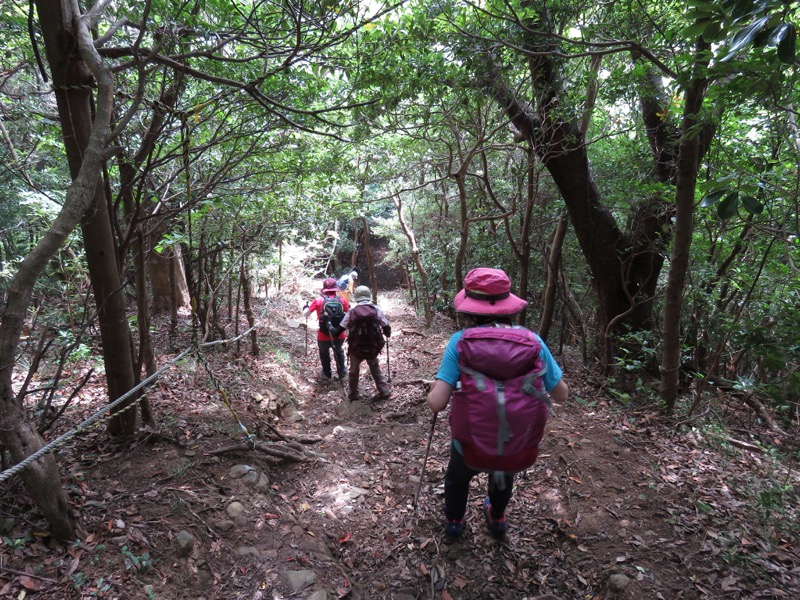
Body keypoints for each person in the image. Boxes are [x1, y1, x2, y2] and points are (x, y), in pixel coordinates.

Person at [427, 267, 568, 542]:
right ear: (507, 305)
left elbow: (436, 402)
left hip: (468, 441)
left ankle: (454, 522)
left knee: (457, 478)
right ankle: (497, 517)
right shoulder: (533, 342)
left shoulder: (460, 342)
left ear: (469, 309)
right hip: (514, 440)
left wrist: (435, 388)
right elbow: (561, 394)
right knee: (502, 474)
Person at [333, 285, 391, 402]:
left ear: (357, 297)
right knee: (375, 367)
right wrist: (386, 334)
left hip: (356, 347)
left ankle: (353, 394)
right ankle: (384, 390)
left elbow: (339, 330)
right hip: (372, 347)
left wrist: (330, 327)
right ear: (369, 296)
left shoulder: (352, 312)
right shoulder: (376, 310)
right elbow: (387, 328)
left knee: (353, 371)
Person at [302, 278, 349, 380]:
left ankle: (327, 374)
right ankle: (342, 372)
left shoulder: (318, 300)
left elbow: (306, 314)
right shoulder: (342, 300)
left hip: (323, 335)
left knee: (324, 353)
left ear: (324, 289)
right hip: (339, 335)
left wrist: (305, 306)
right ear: (336, 288)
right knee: (339, 351)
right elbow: (349, 313)